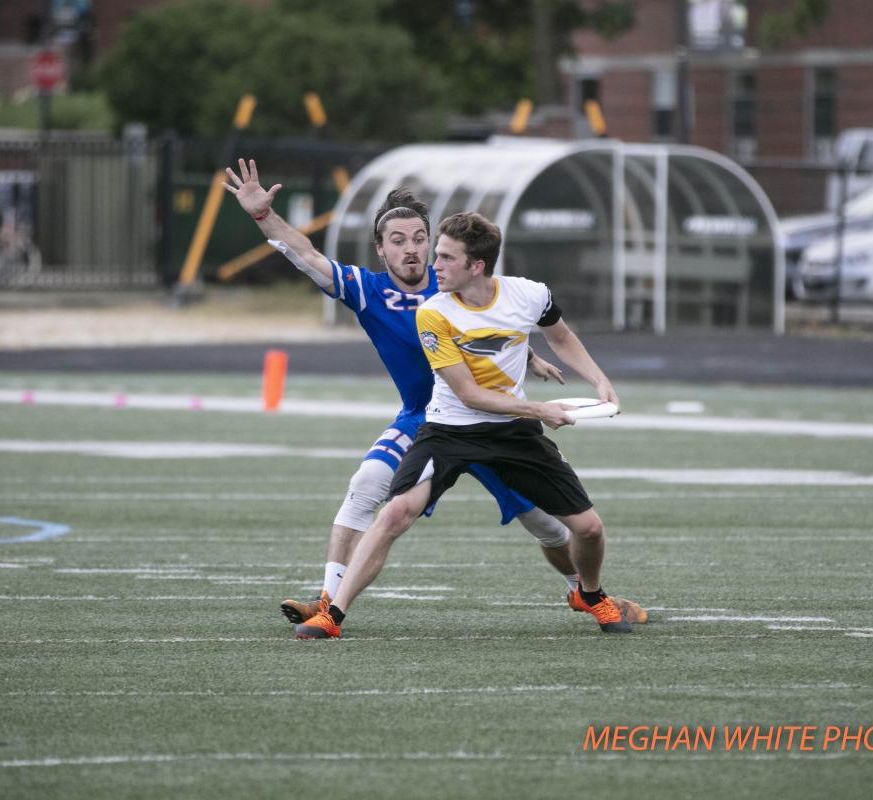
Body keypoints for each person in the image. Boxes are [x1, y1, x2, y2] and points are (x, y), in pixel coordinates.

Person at [222, 159, 646, 626]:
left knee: (546, 524)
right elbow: (306, 255)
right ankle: (329, 600)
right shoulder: (368, 290)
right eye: (397, 240)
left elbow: (493, 321)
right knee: (367, 485)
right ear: (380, 249)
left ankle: (582, 591)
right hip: (427, 419)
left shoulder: (454, 281)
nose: (412, 250)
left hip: (498, 419)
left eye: (419, 239)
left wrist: (528, 355)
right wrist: (264, 215)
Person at [295, 210, 633, 639]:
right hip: (449, 429)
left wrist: (599, 380)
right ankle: (332, 614)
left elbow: (561, 336)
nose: (433, 265)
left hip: (511, 432)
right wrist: (541, 410)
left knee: (588, 528)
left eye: (446, 257)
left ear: (477, 265)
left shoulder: (530, 295)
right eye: (436, 254)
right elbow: (469, 394)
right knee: (395, 512)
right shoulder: (434, 312)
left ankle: (591, 594)